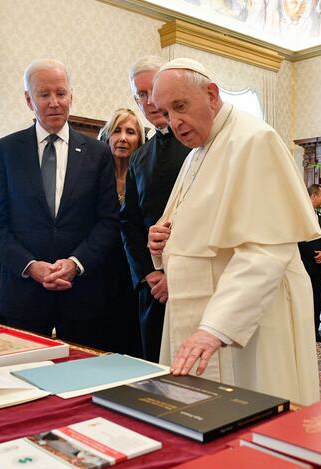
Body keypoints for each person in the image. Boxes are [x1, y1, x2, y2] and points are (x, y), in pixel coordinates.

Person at [147, 58, 321, 405]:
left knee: (257, 406)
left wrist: (216, 327)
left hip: (254, 319)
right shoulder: (196, 153)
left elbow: (265, 250)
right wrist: (160, 243)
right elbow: (189, 231)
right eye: (165, 113)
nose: (174, 122)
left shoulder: (254, 140)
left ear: (211, 95)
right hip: (202, 309)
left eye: (180, 106)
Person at [0, 59, 119, 349]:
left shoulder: (98, 153)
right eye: (44, 95)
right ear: (29, 100)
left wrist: (75, 263)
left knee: (83, 374)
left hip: (82, 296)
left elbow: (107, 221)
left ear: (71, 96)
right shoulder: (5, 151)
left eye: (61, 93)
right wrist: (30, 266)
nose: (54, 102)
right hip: (23, 296)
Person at [121, 55, 192, 363]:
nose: (149, 101)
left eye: (153, 90)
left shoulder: (199, 144)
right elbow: (129, 223)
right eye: (141, 95)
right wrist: (149, 274)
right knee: (154, 372)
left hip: (193, 284)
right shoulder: (139, 157)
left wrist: (175, 276)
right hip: (153, 290)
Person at [98, 108, 145, 357]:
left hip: (134, 274)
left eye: (130, 132)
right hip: (100, 274)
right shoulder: (94, 178)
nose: (123, 138)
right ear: (107, 137)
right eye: (117, 131)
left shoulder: (145, 178)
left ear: (139, 140)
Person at [298, 184, 321, 343]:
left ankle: (314, 331)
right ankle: (302, 333)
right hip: (303, 265)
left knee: (317, 300)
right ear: (313, 196)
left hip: (320, 267)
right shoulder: (299, 216)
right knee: (303, 302)